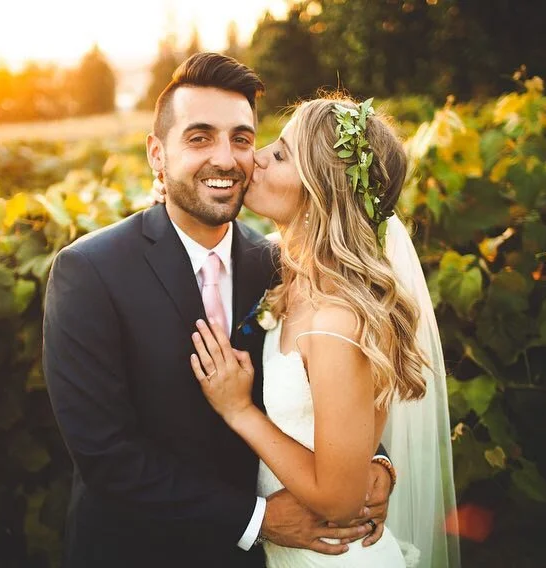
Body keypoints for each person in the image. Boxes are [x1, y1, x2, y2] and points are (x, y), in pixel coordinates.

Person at [42, 53, 395, 568]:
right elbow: (105, 457)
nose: (226, 159)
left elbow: (332, 381)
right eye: (200, 137)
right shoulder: (89, 272)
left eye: (242, 139)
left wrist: (376, 464)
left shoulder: (281, 265)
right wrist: (256, 520)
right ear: (157, 155)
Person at [187, 95, 460, 567]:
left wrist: (239, 410)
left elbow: (338, 501)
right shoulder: (289, 276)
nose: (257, 158)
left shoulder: (336, 320)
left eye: (281, 155)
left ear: (321, 192)